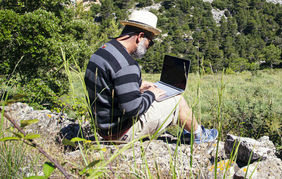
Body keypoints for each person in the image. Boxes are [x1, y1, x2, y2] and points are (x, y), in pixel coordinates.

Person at [84, 10, 217, 143]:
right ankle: (199, 136)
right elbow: (133, 110)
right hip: (121, 132)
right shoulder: (127, 65)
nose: (149, 47)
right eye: (150, 42)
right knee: (177, 101)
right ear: (140, 36)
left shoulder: (104, 50)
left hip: (102, 127)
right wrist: (151, 94)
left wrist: (137, 85)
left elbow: (110, 84)